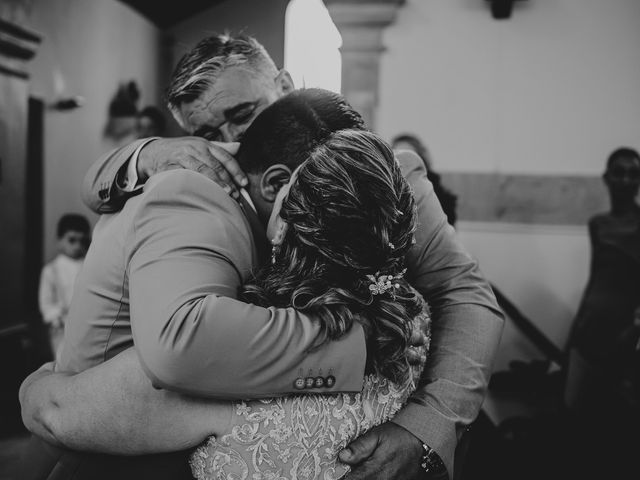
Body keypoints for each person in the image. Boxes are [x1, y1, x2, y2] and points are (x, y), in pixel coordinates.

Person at [23, 33, 504, 480]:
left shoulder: (385, 179)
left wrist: (431, 423)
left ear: (287, 86)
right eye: (208, 132)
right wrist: (146, 156)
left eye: (242, 112)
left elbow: (463, 291)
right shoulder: (200, 188)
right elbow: (181, 345)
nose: (230, 140)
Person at [563, 147, 640, 477]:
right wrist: (576, 328)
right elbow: (596, 278)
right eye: (618, 172)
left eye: (632, 173)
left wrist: (633, 331)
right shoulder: (599, 224)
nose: (625, 180)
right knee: (576, 417)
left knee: (616, 426)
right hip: (590, 330)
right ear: (606, 178)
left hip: (625, 337)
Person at [38, 213, 90, 360]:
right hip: (62, 326)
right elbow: (46, 303)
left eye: (82, 241)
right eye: (72, 240)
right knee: (64, 362)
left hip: (87, 323)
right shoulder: (51, 270)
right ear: (60, 240)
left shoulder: (89, 265)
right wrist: (56, 317)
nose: (77, 246)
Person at [391, 134, 458, 227]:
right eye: (398, 158)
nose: (402, 163)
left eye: (408, 157)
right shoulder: (388, 192)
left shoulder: (438, 197)